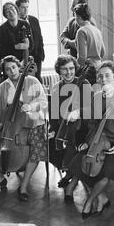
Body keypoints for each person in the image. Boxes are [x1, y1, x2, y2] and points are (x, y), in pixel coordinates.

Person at [66, 61, 114, 217]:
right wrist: (87, 142)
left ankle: (90, 201)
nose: (103, 79)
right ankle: (102, 198)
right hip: (96, 142)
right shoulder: (96, 97)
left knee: (105, 171)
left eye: (107, 76)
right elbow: (91, 125)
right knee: (78, 162)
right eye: (100, 76)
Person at [0, 57, 48, 202]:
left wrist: (30, 106)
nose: (11, 71)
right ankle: (0, 178)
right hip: (11, 127)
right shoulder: (3, 87)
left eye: (13, 67)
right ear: (4, 71)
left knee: (37, 149)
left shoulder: (32, 81)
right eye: (7, 69)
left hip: (33, 123)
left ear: (19, 66)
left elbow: (43, 102)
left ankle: (23, 186)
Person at [48, 55, 91, 198]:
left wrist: (79, 112)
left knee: (75, 145)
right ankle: (69, 172)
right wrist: (53, 129)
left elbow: (91, 109)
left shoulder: (84, 83)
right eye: (64, 69)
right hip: (62, 127)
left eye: (71, 68)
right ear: (59, 71)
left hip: (83, 126)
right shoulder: (56, 87)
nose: (69, 72)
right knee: (51, 145)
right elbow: (53, 113)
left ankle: (70, 177)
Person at [74, 3, 105, 85]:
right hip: (99, 67)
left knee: (85, 96)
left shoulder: (81, 31)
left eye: (75, 16)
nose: (75, 19)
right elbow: (102, 52)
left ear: (79, 17)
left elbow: (82, 58)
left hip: (88, 70)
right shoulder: (97, 30)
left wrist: (75, 68)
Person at [16, 0, 45, 83]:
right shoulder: (15, 22)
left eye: (27, 7)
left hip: (37, 56)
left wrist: (41, 54)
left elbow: (40, 38)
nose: (26, 10)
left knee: (37, 80)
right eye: (23, 7)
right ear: (17, 8)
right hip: (23, 58)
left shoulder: (34, 20)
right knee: (25, 82)